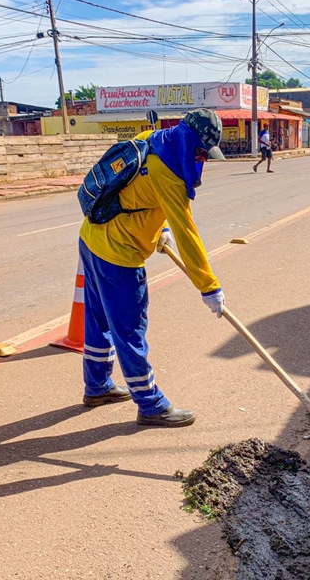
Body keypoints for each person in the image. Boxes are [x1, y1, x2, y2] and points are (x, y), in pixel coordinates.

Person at [78, 108, 226, 428]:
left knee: (99, 319)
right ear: (189, 142)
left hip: (91, 237)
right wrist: (209, 286)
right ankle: (150, 404)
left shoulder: (155, 139)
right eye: (201, 152)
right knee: (129, 329)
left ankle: (97, 386)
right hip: (118, 254)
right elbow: (188, 233)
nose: (203, 159)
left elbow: (138, 194)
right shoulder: (168, 172)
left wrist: (159, 232)